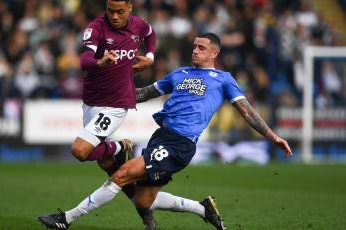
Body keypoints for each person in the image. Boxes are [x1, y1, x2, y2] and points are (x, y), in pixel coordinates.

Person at [38, 33, 292, 230]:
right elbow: (145, 93)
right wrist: (111, 93)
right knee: (142, 201)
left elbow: (246, 111)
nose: (195, 50)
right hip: (161, 137)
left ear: (214, 52)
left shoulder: (223, 78)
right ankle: (203, 209)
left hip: (180, 144)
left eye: (201, 47)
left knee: (123, 173)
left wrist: (273, 136)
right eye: (194, 46)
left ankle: (66, 219)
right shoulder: (179, 73)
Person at [38, 0, 158, 228]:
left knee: (80, 150)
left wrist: (150, 57)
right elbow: (84, 59)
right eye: (110, 11)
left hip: (116, 105)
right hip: (91, 103)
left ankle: (120, 145)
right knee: (108, 164)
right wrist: (99, 62)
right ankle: (145, 213)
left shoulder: (139, 25)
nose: (114, 16)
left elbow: (151, 35)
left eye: (120, 11)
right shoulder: (96, 27)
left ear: (130, 8)